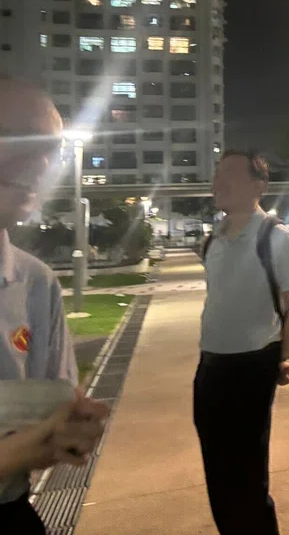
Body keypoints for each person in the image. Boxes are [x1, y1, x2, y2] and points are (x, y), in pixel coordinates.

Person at [0, 76, 111, 532]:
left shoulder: (35, 283)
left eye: (53, 149)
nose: (44, 163)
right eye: (23, 138)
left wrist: (70, 430)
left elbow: (57, 413)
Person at [194, 149, 289, 535]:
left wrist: (278, 357)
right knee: (219, 478)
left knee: (246, 479)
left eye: (230, 175)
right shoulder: (213, 240)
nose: (219, 183)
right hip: (209, 369)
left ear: (259, 185)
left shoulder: (274, 237)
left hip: (249, 371)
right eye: (217, 175)